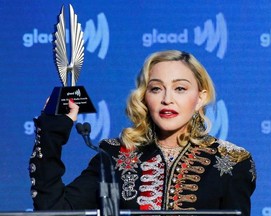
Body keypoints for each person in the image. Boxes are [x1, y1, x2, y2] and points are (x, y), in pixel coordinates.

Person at [29, 50, 256, 215]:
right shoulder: (114, 156)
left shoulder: (231, 161)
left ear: (200, 97)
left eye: (180, 88)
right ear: (144, 97)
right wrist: (52, 132)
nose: (167, 99)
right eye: (156, 88)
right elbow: (55, 210)